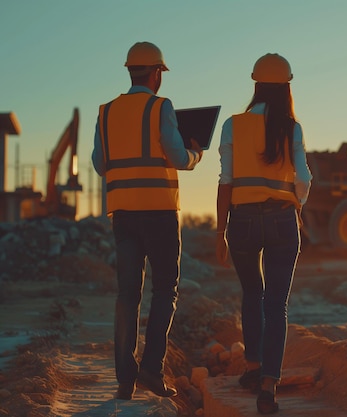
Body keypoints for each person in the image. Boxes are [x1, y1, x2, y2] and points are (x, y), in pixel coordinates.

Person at [91, 41, 203, 401]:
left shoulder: (105, 112)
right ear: (156, 73)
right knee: (164, 289)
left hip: (122, 213)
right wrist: (195, 154)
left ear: (129, 71)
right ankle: (152, 371)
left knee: (127, 294)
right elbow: (175, 156)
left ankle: (125, 377)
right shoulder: (160, 108)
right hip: (158, 211)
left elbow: (99, 164)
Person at [215, 53, 312, 414]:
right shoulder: (292, 127)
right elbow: (303, 179)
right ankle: (268, 386)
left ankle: (253, 367)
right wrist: (296, 202)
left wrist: (219, 229)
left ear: (255, 84)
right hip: (282, 220)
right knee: (276, 304)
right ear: (287, 87)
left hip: (240, 221)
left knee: (251, 292)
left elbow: (226, 181)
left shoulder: (232, 125)